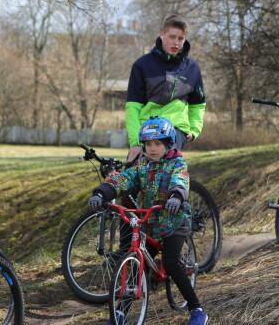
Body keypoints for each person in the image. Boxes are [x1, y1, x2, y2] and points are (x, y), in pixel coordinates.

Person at [88, 116, 209, 325]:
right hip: (151, 223)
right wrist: (102, 193)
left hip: (174, 222)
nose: (152, 148)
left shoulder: (177, 164)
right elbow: (122, 178)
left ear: (168, 144)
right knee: (137, 266)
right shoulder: (142, 165)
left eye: (158, 144)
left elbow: (180, 181)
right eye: (148, 144)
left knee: (171, 262)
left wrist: (176, 196)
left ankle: (197, 310)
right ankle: (120, 314)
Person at [125, 14, 206, 162]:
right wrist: (135, 143)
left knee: (164, 171)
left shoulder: (192, 68)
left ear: (185, 39)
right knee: (132, 174)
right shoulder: (142, 65)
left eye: (180, 39)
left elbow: (198, 104)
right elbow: (133, 107)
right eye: (172, 37)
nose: (176, 42)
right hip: (146, 130)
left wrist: (194, 130)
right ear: (161, 34)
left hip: (175, 130)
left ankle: (174, 185)